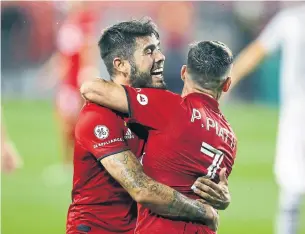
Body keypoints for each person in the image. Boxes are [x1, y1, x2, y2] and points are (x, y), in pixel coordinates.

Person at [67, 19, 230, 234]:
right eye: (149, 51)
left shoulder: (158, 107)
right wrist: (203, 212)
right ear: (121, 65)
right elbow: (141, 188)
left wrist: (220, 192)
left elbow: (192, 165)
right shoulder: (98, 116)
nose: (161, 57)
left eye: (159, 49)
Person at [227, 4, 305, 234]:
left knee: (290, 185)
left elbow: (257, 51)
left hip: (297, 114)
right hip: (296, 112)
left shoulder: (291, 20)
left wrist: (230, 78)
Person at [41, 2, 99, 172]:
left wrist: (87, 73)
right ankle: (70, 163)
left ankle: (79, 162)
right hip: (69, 84)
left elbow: (85, 54)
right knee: (67, 123)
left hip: (74, 84)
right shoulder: (71, 28)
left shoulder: (80, 27)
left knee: (75, 123)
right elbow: (63, 57)